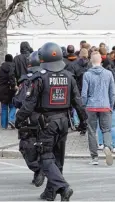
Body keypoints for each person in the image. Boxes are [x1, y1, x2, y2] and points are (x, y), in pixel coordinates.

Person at [15, 42, 87, 201]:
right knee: (58, 158)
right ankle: (49, 193)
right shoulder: (69, 77)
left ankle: (63, 187)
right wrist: (83, 122)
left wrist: (18, 119)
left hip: (46, 122)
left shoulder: (39, 78)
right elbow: (78, 102)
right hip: (63, 122)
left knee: (45, 157)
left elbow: (29, 104)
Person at [14, 51, 45, 187]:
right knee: (43, 147)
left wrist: (18, 118)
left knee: (26, 146)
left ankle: (38, 169)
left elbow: (19, 100)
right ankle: (40, 171)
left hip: (30, 119)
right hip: (46, 119)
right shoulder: (47, 76)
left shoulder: (28, 80)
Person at [81, 51, 115, 166]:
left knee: (91, 131)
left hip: (91, 106)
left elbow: (84, 94)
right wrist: (111, 106)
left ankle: (94, 157)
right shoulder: (109, 74)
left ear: (91, 61)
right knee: (106, 130)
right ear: (101, 60)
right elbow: (112, 92)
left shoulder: (87, 75)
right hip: (105, 105)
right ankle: (107, 147)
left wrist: (84, 105)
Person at [0, 54, 17, 129]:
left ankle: (3, 125)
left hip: (2, 89)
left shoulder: (1, 67)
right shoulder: (12, 66)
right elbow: (12, 76)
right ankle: (11, 119)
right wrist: (13, 85)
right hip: (10, 89)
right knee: (13, 105)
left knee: (4, 107)